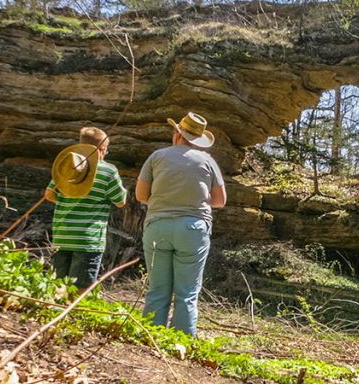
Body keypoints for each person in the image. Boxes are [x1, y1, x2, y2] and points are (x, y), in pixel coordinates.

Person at [136, 112, 226, 337]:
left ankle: (151, 336)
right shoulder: (208, 161)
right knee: (187, 292)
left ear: (177, 134)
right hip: (193, 229)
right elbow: (220, 201)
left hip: (158, 226)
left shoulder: (157, 156)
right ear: (198, 140)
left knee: (157, 288)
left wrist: (163, 203)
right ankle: (182, 341)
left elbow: (140, 194)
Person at [44, 127, 127, 290]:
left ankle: (55, 312)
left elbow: (48, 194)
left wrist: (68, 202)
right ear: (102, 150)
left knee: (58, 286)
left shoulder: (68, 167)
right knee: (81, 289)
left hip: (62, 236)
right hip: (88, 240)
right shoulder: (108, 171)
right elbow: (120, 201)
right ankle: (73, 314)